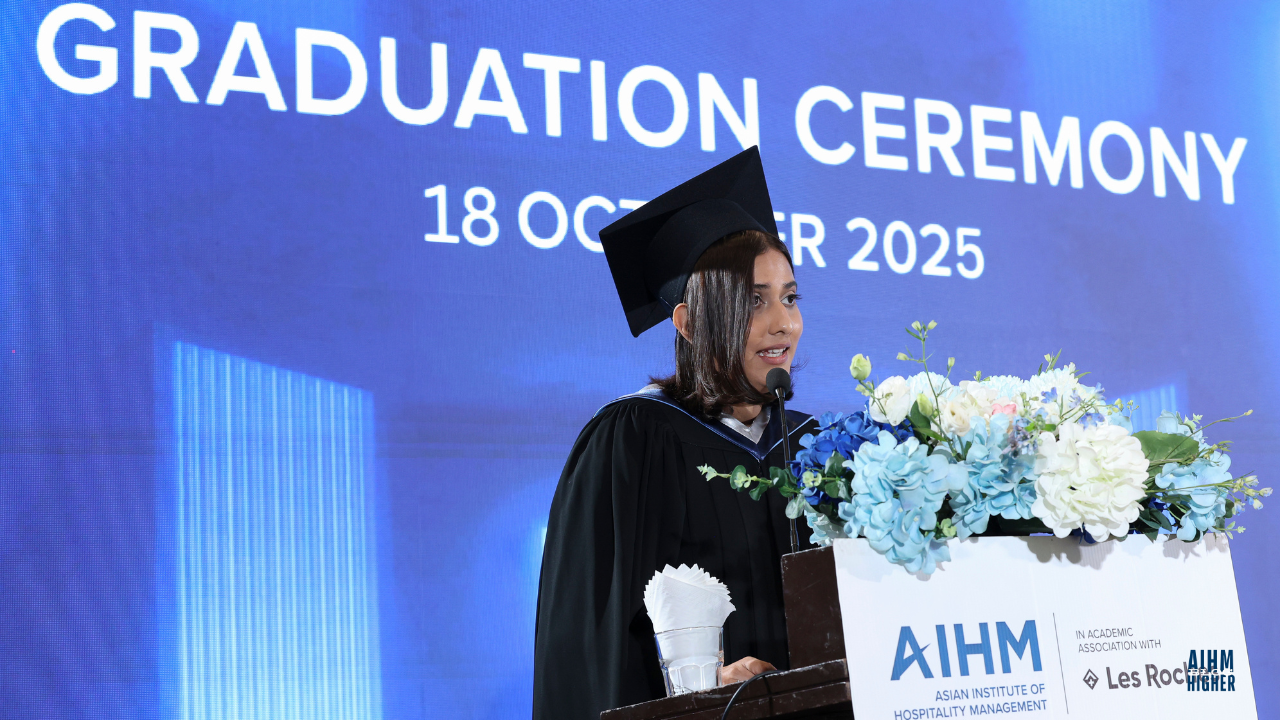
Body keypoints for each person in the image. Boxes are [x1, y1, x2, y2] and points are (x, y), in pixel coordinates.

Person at [532, 148, 817, 720]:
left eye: (789, 297)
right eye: (753, 300)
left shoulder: (812, 446)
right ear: (686, 322)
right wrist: (698, 685)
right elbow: (593, 641)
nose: (782, 322)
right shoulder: (633, 440)